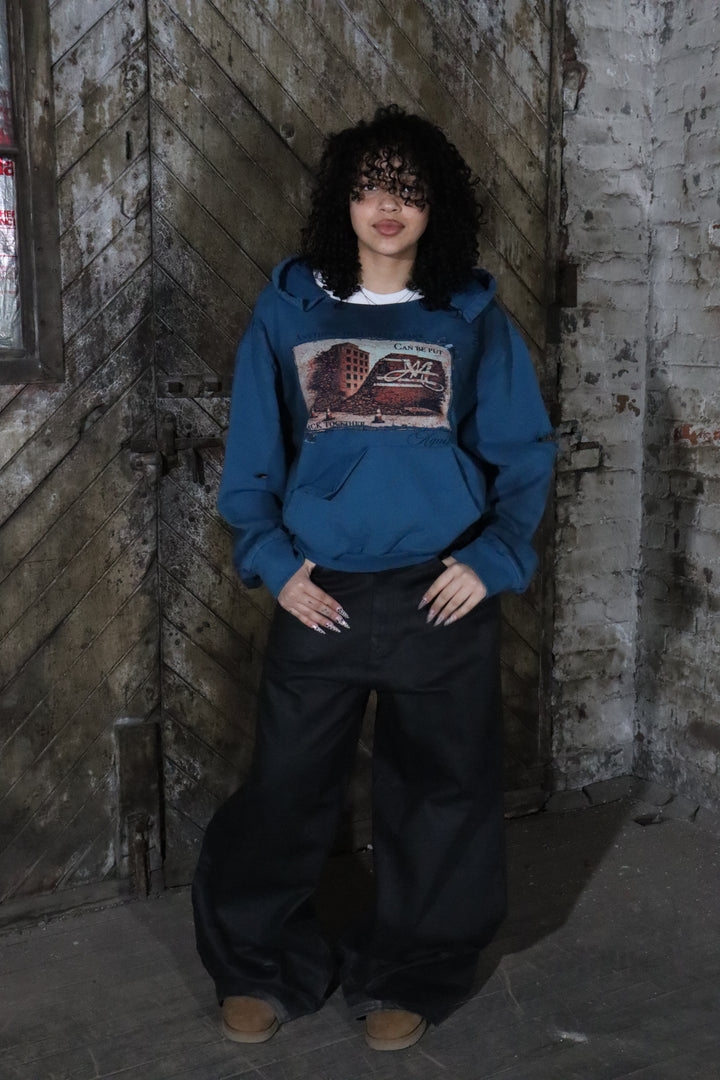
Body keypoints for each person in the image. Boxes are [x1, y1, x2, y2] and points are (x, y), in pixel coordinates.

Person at [192, 105, 556, 1052]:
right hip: (323, 595)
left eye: (408, 189)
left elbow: (523, 452)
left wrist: (492, 559)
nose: (387, 207)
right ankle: (262, 965)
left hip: (441, 594)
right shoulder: (289, 310)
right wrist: (276, 566)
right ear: (341, 203)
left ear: (436, 205)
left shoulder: (470, 315)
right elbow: (252, 458)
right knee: (286, 789)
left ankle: (410, 969)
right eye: (368, 187)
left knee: (441, 793)